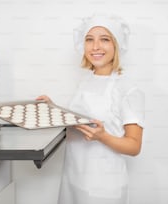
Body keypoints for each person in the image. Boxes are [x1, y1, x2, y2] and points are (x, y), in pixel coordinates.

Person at [37, 13, 144, 204]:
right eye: (89, 40)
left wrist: (103, 137)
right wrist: (53, 108)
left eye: (105, 39)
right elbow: (81, 120)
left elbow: (134, 146)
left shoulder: (128, 89)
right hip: (74, 178)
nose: (95, 47)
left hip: (103, 186)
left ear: (116, 45)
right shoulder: (87, 80)